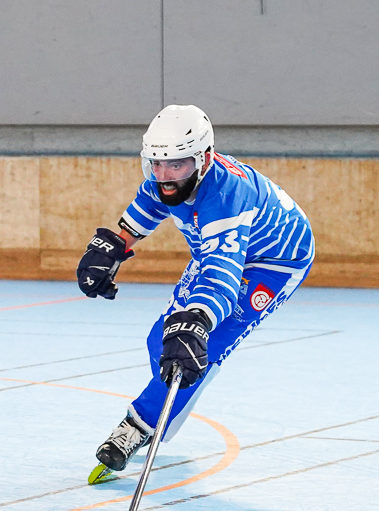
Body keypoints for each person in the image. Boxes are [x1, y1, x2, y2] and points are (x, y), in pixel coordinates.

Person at [76, 105, 314, 483]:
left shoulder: (226, 197)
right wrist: (115, 247)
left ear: (204, 159)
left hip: (273, 262)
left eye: (176, 166)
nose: (164, 175)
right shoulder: (168, 176)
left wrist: (199, 320)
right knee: (162, 339)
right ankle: (174, 395)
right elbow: (150, 203)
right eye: (155, 163)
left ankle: (139, 424)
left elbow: (222, 273)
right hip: (217, 249)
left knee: (203, 341)